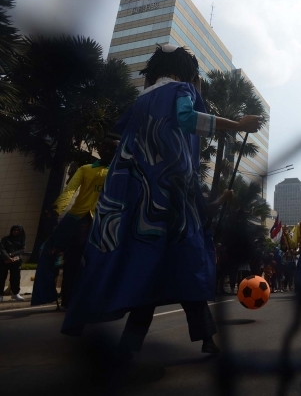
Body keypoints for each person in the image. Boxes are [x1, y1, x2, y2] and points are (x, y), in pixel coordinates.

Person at [61, 44, 261, 357]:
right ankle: (204, 340)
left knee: (150, 268)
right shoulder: (181, 89)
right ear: (187, 70)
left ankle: (133, 345)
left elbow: (122, 138)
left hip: (137, 202)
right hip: (173, 200)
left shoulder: (141, 98)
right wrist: (237, 125)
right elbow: (185, 118)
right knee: (187, 265)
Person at [31, 135, 120, 308]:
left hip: (103, 222)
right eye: (107, 147)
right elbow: (70, 190)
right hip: (76, 218)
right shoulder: (86, 169)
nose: (109, 151)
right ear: (101, 149)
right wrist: (57, 208)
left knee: (101, 261)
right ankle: (52, 296)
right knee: (52, 252)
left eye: (114, 148)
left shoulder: (121, 172)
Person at [0, 225, 26, 301]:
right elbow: (2, 249)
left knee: (15, 278)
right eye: (14, 230)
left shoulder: (21, 240)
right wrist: (8, 258)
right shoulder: (5, 239)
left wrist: (11, 255)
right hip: (4, 260)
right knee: (1, 277)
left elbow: (22, 250)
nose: (16, 231)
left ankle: (15, 293)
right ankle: (0, 295)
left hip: (16, 261)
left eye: (18, 230)